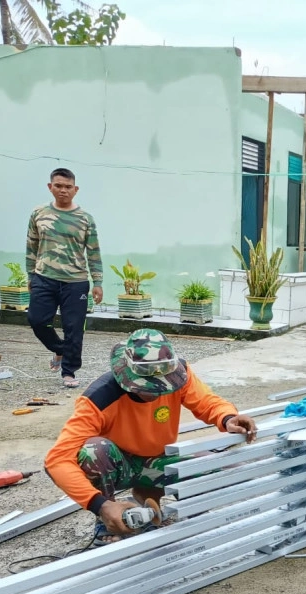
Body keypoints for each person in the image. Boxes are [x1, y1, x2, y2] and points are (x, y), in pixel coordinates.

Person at [44, 329, 258, 545]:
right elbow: (57, 460)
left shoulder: (180, 374)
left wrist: (228, 417)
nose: (157, 392)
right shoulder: (98, 399)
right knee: (94, 450)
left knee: (219, 469)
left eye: (162, 386)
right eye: (148, 387)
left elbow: (207, 402)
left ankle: (153, 497)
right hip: (119, 466)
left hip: (158, 460)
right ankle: (108, 520)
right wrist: (100, 505)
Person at [26, 167, 104, 389]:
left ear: (75, 189)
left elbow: (94, 252)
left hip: (76, 281)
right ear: (50, 187)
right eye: (58, 186)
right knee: (37, 319)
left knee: (74, 328)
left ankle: (69, 371)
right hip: (44, 277)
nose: (63, 190)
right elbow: (31, 244)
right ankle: (59, 349)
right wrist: (30, 274)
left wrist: (97, 282)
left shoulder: (85, 219)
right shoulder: (38, 214)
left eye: (68, 187)